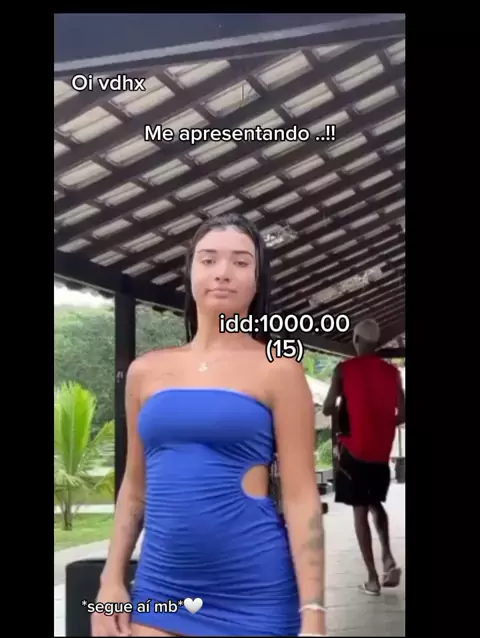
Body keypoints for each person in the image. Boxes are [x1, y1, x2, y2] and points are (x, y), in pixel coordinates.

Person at [92, 213, 326, 637]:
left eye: (240, 262)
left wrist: (313, 612)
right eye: (209, 259)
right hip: (160, 588)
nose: (223, 272)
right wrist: (111, 579)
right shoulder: (146, 372)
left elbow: (300, 496)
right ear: (190, 272)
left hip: (254, 593)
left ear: (257, 280)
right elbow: (135, 487)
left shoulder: (279, 370)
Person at [322, 319, 405, 596]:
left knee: (360, 511)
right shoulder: (392, 373)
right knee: (374, 503)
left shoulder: (344, 370)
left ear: (356, 340)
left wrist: (341, 404)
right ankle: (388, 557)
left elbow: (327, 407)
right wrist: (382, 424)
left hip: (354, 451)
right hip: (381, 453)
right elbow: (403, 413)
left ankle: (372, 578)